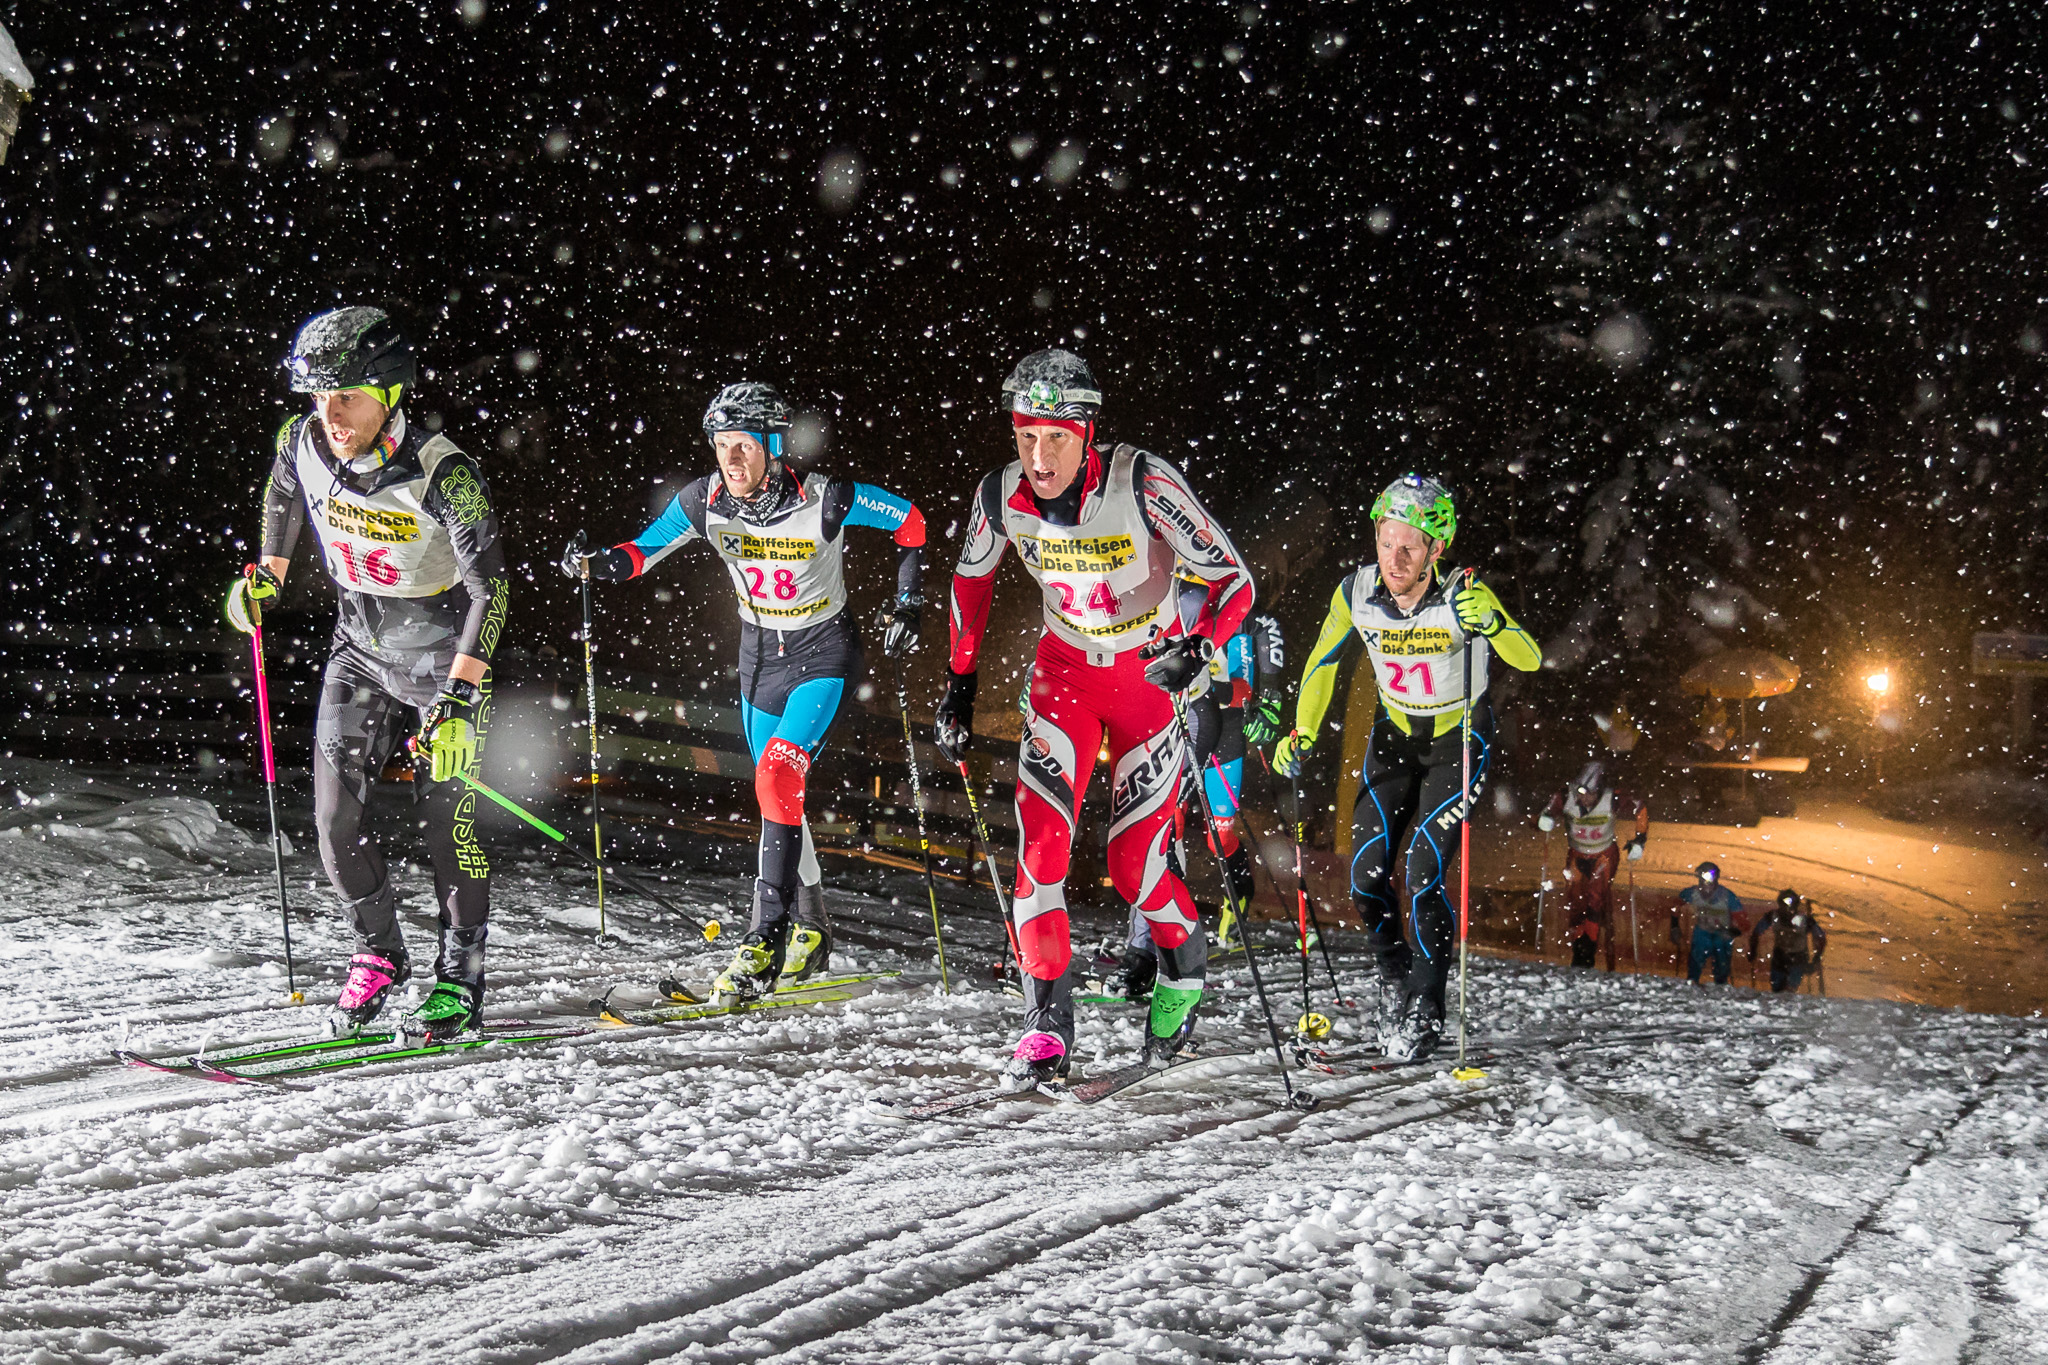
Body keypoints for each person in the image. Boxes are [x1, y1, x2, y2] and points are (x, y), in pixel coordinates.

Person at [936, 348, 1253, 1087]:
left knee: (1132, 865)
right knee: (1040, 847)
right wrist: (959, 681)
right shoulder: (1000, 495)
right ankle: (1045, 1019)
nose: (1038, 455)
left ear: (1087, 431)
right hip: (1064, 677)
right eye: (1024, 436)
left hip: (1148, 683)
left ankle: (1183, 962)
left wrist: (1200, 644)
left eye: (1055, 437)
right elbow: (970, 581)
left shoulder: (1143, 480)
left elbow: (1232, 576)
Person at [563, 383, 924, 999]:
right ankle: (812, 928)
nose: (730, 459)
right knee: (778, 796)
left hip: (822, 652)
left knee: (778, 776)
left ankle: (766, 937)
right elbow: (643, 551)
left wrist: (908, 602)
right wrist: (596, 564)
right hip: (758, 660)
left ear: (774, 447)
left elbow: (910, 521)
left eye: (744, 446)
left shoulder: (826, 497)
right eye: (721, 445)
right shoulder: (703, 501)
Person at [224, 306, 510, 1044]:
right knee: (332, 820)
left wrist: (459, 695)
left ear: (388, 392)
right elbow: (283, 497)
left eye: (345, 395)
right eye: (318, 397)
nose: (330, 414)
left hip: (443, 662)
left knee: (451, 823)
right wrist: (268, 577)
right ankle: (380, 952)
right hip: (358, 650)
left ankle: (462, 974)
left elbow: (493, 588)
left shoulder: (445, 471)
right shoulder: (302, 442)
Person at [1272, 474, 1541, 1062]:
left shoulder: (1464, 594)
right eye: (1386, 540)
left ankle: (1427, 1000)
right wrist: (1304, 732)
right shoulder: (1356, 592)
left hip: (1457, 744)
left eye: (1410, 546)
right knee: (1365, 877)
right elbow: (1322, 662)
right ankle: (1394, 978)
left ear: (1435, 549)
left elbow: (1530, 657)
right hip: (1393, 741)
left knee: (1422, 874)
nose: (1394, 558)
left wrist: (1493, 623)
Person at [1102, 584, 1285, 999]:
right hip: (1181, 723)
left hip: (1228, 730)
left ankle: (1235, 909)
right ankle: (1150, 945)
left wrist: (1268, 697)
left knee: (1220, 836)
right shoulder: (1161, 597)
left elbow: (1254, 663)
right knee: (1165, 825)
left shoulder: (1229, 605)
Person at [1538, 760, 1648, 970]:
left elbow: (1640, 807)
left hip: (1603, 855)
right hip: (1577, 853)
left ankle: (1589, 948)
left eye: (1589, 793)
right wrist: (1545, 819)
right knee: (1575, 899)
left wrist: (1640, 840)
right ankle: (1579, 947)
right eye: (1580, 792)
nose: (1583, 797)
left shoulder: (1612, 798)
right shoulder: (1565, 796)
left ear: (1599, 791)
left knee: (1595, 899)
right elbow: (1546, 812)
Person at [1750, 889, 1826, 993]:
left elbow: (1821, 938)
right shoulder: (1773, 917)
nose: (1787, 909)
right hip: (1779, 958)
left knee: (1789, 991)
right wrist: (1753, 950)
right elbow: (1756, 933)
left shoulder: (1804, 920)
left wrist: (1816, 959)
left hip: (1798, 959)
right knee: (1777, 991)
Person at [1679, 861, 1744, 985]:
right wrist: (1674, 926)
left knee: (1721, 966)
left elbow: (1743, 921)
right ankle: (1692, 983)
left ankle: (1720, 987)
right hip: (1702, 932)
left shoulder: (1727, 896)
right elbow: (1676, 905)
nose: (1707, 882)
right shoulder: (1692, 893)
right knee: (1696, 961)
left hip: (1721, 934)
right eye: (1702, 876)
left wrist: (1733, 931)